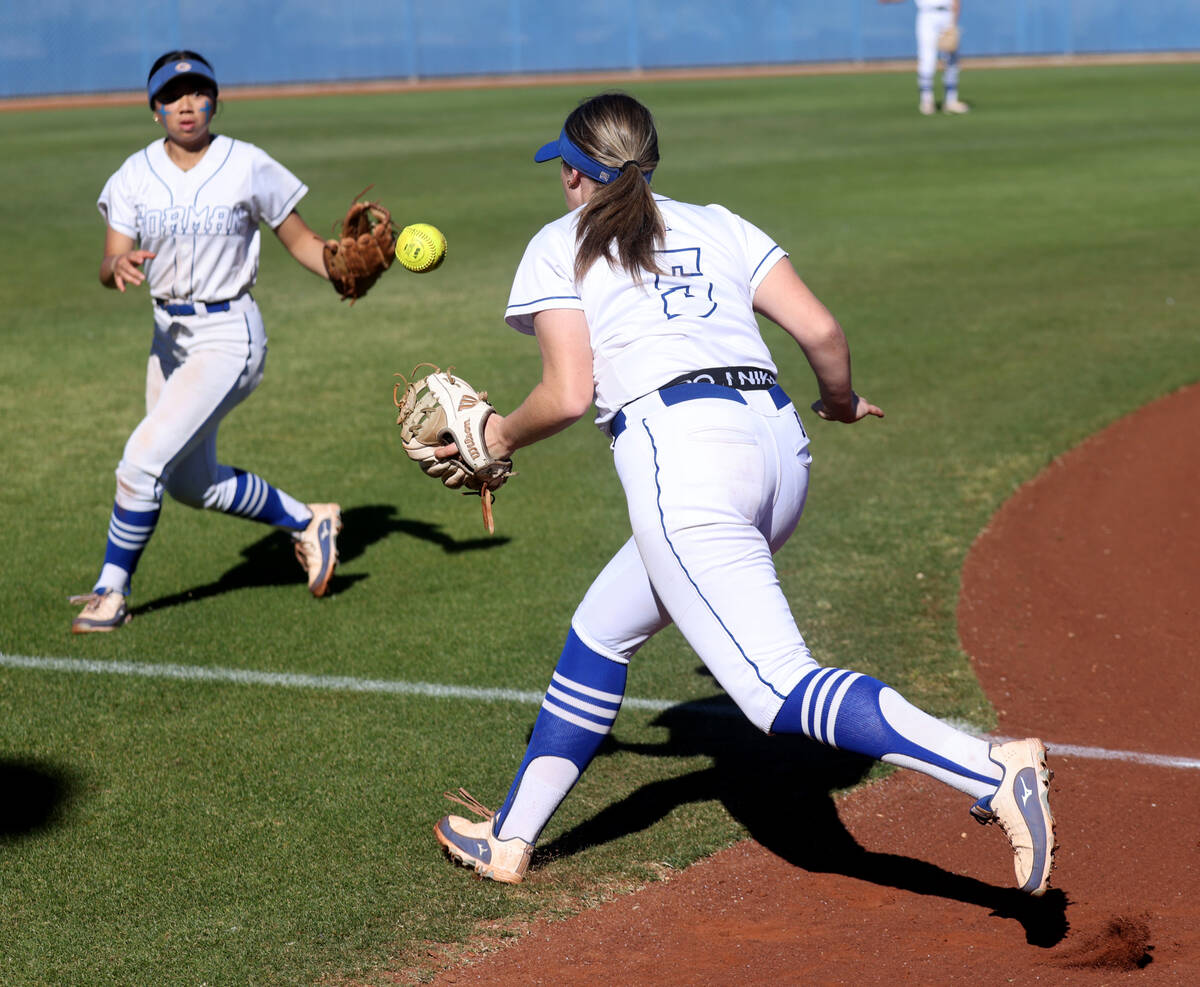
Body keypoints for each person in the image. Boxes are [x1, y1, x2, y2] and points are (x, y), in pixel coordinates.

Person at [432, 93, 1055, 895]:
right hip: (777, 451)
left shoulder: (562, 243)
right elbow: (824, 334)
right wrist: (837, 400)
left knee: (776, 688)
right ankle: (509, 837)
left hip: (684, 460)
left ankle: (990, 768)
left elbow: (564, 393)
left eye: (564, 163)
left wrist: (496, 437)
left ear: (578, 173)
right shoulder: (720, 222)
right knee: (600, 631)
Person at [70, 50, 342, 633]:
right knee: (192, 483)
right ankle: (308, 520)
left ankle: (109, 593)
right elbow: (109, 256)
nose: (186, 105)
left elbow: (301, 241)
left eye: (198, 92)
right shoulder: (134, 175)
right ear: (154, 109)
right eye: (172, 96)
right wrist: (115, 266)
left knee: (140, 462)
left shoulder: (247, 164)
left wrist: (345, 268)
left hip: (229, 334)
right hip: (167, 337)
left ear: (216, 100)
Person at [881, 0, 970, 115]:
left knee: (951, 59)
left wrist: (953, 23)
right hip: (927, 15)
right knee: (927, 59)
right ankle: (927, 100)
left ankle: (951, 100)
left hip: (947, 15)